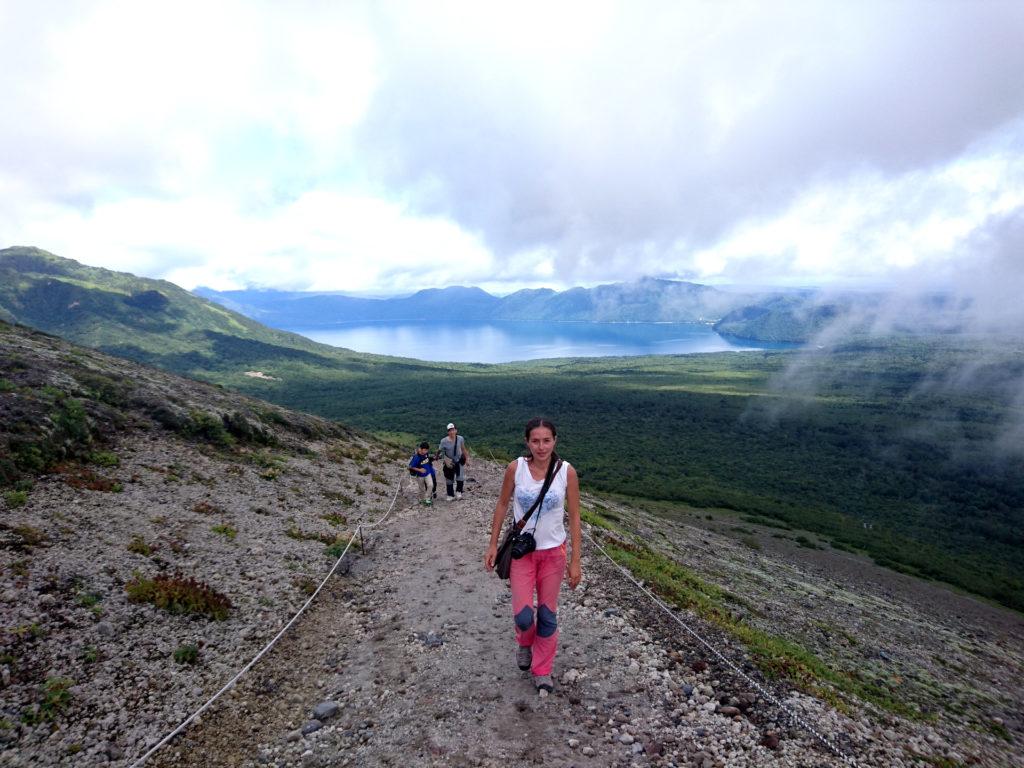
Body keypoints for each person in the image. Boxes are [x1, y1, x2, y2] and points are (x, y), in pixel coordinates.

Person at [484, 417, 581, 693]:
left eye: (546, 440)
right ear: (527, 441)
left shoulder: (566, 472)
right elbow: (502, 504)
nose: (541, 446)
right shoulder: (516, 469)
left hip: (553, 553)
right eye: (535, 441)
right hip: (522, 553)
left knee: (548, 615)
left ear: (555, 441)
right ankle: (525, 643)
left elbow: (574, 517)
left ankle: (543, 670)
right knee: (524, 616)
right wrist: (492, 544)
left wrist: (575, 561)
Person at [437, 422, 470, 501]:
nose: (452, 432)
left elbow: (463, 449)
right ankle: (450, 494)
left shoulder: (460, 438)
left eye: (453, 430)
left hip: (459, 460)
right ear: (448, 432)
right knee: (449, 478)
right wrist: (436, 456)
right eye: (450, 430)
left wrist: (467, 459)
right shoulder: (443, 441)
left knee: (460, 477)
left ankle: (459, 492)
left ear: (456, 430)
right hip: (449, 462)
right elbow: (439, 450)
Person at [408, 441, 436, 506]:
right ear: (420, 449)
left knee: (431, 485)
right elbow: (411, 467)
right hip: (420, 475)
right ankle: (421, 499)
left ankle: (427, 498)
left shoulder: (426, 454)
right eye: (425, 450)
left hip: (428, 473)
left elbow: (428, 460)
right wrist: (419, 470)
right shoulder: (416, 457)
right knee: (421, 488)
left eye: (427, 450)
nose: (426, 451)